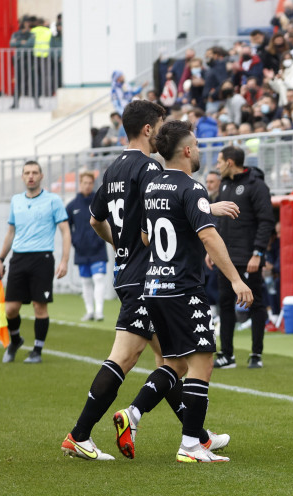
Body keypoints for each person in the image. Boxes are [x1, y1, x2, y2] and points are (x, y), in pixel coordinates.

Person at [61, 101, 235, 461]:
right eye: (159, 125)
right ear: (147, 129)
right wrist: (207, 208)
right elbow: (168, 206)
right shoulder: (151, 169)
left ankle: (195, 435)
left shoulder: (111, 169)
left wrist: (120, 244)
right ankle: (86, 432)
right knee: (137, 357)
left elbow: (96, 222)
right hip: (152, 275)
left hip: (128, 273)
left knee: (170, 360)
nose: (161, 133)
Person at [133, 120, 253, 463]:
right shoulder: (192, 187)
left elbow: (145, 237)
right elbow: (209, 237)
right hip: (183, 287)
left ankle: (134, 413)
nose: (200, 150)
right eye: (197, 145)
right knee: (202, 363)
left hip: (154, 286)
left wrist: (197, 211)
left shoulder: (152, 186)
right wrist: (235, 280)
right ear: (186, 150)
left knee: (173, 363)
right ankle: (190, 445)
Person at [0, 161, 70, 365]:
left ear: (41, 176)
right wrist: (0, 259)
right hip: (19, 258)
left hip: (42, 258)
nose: (31, 176)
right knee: (10, 309)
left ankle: (37, 350)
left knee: (40, 307)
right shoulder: (16, 201)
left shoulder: (53, 200)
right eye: (27, 173)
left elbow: (65, 231)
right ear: (22, 176)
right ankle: (16, 340)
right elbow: (11, 232)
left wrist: (64, 260)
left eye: (34, 172)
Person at [211, 146, 274, 370]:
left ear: (229, 162)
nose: (217, 166)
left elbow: (266, 221)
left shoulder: (257, 186)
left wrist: (258, 253)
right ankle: (226, 355)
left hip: (249, 259)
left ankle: (256, 353)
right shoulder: (225, 185)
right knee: (226, 305)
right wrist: (213, 250)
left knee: (256, 304)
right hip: (226, 257)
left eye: (219, 162)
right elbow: (222, 222)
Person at [67, 170, 109, 322]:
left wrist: (102, 239)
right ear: (80, 184)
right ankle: (89, 311)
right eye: (85, 183)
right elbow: (66, 228)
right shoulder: (72, 206)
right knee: (86, 281)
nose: (87, 185)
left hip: (98, 249)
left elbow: (108, 222)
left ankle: (99, 311)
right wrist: (74, 241)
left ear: (93, 184)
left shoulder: (99, 202)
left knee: (98, 278)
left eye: (90, 183)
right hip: (81, 251)